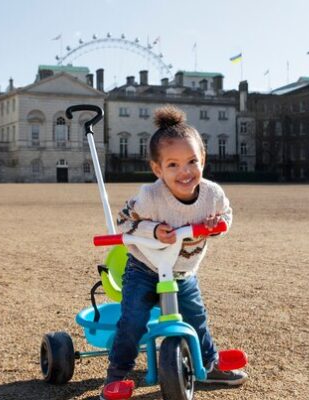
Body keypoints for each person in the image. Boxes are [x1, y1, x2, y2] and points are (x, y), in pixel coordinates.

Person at [101, 106, 247, 398]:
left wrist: (217, 225)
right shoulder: (149, 197)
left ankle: (209, 364)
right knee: (131, 321)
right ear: (158, 169)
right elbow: (123, 223)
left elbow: (226, 215)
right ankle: (116, 376)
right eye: (173, 165)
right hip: (144, 268)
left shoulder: (212, 194)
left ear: (203, 160)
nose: (185, 171)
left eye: (192, 161)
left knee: (197, 318)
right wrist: (153, 230)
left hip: (183, 271)